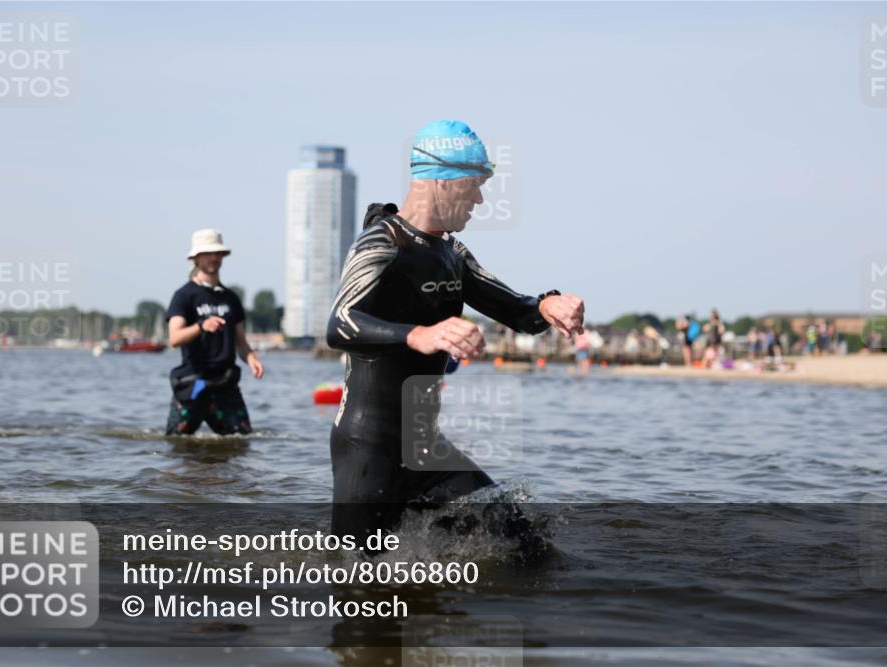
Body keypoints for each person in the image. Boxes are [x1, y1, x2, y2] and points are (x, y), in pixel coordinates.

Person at [325, 120, 585, 541]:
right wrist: (418, 335)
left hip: (426, 449)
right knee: (359, 572)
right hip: (369, 448)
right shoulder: (380, 242)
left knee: (523, 545)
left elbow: (515, 310)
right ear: (441, 181)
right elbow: (340, 323)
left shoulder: (452, 254)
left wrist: (546, 304)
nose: (480, 199)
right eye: (473, 186)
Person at [165, 229, 264, 435]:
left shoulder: (230, 298)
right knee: (176, 442)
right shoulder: (183, 296)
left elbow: (241, 342)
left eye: (218, 253)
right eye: (208, 253)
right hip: (194, 383)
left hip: (225, 384)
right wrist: (201, 326)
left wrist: (252, 359)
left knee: (242, 441)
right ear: (195, 258)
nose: (214, 258)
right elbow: (174, 338)